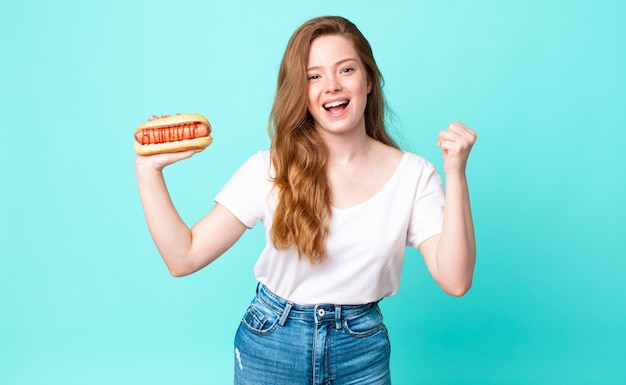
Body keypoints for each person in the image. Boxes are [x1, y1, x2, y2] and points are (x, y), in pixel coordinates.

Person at [135, 15, 477, 385]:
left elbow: (455, 280)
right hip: (271, 342)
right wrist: (148, 171)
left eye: (345, 69)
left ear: (369, 82)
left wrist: (456, 173)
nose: (331, 85)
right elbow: (182, 257)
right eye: (314, 76)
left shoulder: (414, 175)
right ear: (301, 92)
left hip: (360, 348)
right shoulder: (268, 168)